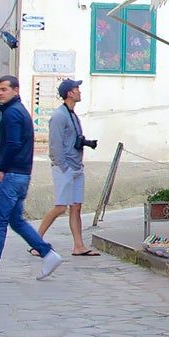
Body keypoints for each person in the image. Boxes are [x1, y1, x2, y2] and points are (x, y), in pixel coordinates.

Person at [0, 75, 62, 281]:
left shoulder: (11, 114)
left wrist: (3, 168)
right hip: (22, 174)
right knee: (16, 220)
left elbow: (13, 144)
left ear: (15, 90)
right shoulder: (19, 112)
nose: (0, 93)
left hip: (10, 175)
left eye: (4, 89)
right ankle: (47, 254)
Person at [38, 78, 98, 257]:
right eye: (77, 89)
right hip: (65, 167)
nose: (79, 91)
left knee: (76, 206)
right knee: (60, 207)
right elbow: (55, 145)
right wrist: (63, 166)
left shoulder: (72, 114)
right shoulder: (59, 116)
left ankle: (79, 245)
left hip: (76, 166)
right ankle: (36, 240)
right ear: (70, 93)